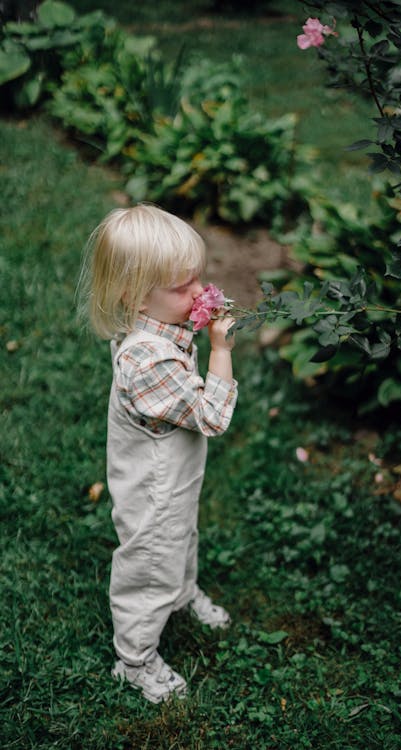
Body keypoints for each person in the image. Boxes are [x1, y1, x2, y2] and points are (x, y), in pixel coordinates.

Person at [81, 203, 237, 703]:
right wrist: (222, 349)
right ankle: (135, 659)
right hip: (153, 493)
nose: (197, 293)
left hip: (175, 479)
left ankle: (183, 594)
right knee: (150, 566)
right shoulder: (146, 362)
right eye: (181, 286)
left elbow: (174, 336)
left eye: (199, 279)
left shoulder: (150, 325)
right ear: (134, 296)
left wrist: (191, 316)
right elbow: (211, 416)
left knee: (183, 537)